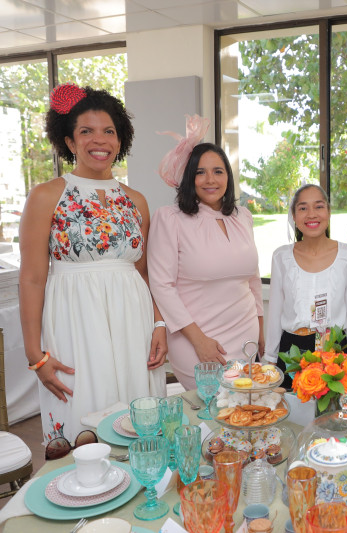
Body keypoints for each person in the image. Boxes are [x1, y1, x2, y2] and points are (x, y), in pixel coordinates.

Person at [19, 83, 166, 443]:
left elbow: (143, 272)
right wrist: (35, 353)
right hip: (74, 323)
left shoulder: (136, 200)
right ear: (69, 141)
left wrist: (159, 324)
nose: (99, 140)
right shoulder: (46, 195)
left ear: (120, 140)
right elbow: (32, 279)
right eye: (86, 131)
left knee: (138, 421)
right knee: (83, 423)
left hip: (133, 323)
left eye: (109, 131)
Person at [148, 130, 264, 390]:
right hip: (194, 337)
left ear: (228, 177)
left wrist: (260, 328)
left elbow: (253, 279)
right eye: (200, 172)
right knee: (211, 404)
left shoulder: (243, 216)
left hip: (245, 335)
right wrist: (199, 341)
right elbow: (162, 285)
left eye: (218, 171)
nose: (210, 179)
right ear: (189, 178)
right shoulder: (170, 218)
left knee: (244, 406)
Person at [264, 184, 347, 388]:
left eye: (319, 206)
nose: (311, 214)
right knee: (289, 407)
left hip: (334, 354)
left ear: (328, 211)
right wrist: (270, 359)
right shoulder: (281, 257)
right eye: (303, 208)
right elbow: (274, 312)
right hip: (292, 352)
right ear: (294, 215)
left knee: (331, 409)